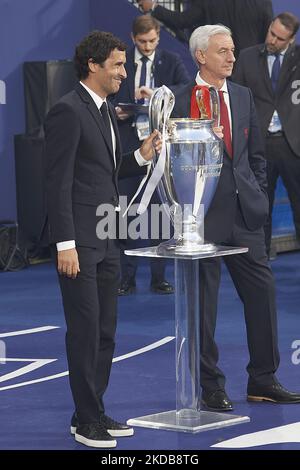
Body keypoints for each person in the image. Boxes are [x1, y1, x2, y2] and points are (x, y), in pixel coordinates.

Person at [171, 24, 300, 411]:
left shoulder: (242, 96)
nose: (232, 57)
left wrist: (258, 194)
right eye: (223, 51)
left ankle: (263, 379)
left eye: (232, 49)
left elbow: (254, 155)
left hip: (246, 216)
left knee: (262, 295)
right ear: (200, 56)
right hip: (203, 220)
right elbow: (168, 162)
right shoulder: (178, 99)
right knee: (203, 309)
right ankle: (211, 386)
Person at [45, 30, 161, 448]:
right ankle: (87, 418)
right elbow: (57, 183)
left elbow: (107, 171)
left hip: (109, 237)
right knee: (85, 330)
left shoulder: (105, 109)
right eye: (117, 65)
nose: (123, 72)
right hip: (79, 243)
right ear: (93, 66)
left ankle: (90, 410)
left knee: (106, 330)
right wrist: (65, 244)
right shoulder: (67, 111)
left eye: (124, 65)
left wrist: (142, 156)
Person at [113, 15, 190, 296]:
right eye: (143, 41)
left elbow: (186, 90)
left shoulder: (170, 61)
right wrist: (117, 110)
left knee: (160, 212)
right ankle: (126, 278)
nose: (147, 46)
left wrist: (158, 93)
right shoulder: (119, 62)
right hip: (128, 145)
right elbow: (105, 96)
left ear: (159, 37)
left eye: (153, 41)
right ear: (134, 38)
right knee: (125, 213)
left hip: (161, 146)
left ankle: (159, 277)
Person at [233, 12, 300, 258]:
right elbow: (236, 98)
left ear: (290, 40)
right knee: (261, 208)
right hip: (259, 145)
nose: (272, 40)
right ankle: (261, 257)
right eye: (271, 33)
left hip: (293, 144)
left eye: (280, 38)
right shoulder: (247, 56)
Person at [136, 0, 274, 57]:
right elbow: (269, 31)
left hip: (218, 61)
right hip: (253, 65)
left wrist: (154, 7)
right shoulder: (262, 1)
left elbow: (183, 20)